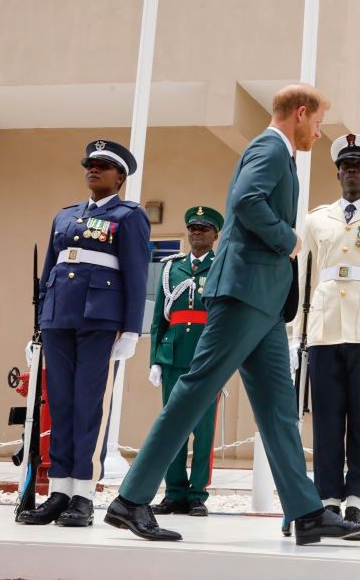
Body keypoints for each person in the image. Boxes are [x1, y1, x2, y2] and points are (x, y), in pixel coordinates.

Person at [104, 84, 360, 545]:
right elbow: (246, 202)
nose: (319, 131)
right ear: (301, 113)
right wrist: (287, 239)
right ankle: (130, 500)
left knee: (278, 410)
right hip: (245, 293)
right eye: (318, 121)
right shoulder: (269, 148)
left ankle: (306, 512)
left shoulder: (278, 152)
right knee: (194, 390)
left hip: (264, 304)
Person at [18, 140, 150, 528]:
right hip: (59, 317)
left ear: (120, 177)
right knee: (59, 404)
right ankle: (59, 490)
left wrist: (130, 329)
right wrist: (39, 326)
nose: (93, 170)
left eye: (102, 166)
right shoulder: (65, 216)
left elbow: (137, 274)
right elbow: (49, 273)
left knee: (88, 405)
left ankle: (83, 495)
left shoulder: (128, 216)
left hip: (100, 320)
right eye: (89, 164)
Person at [289, 133, 360, 539]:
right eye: (346, 165)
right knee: (325, 419)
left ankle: (357, 500)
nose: (352, 170)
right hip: (323, 328)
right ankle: (327, 500)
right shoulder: (316, 218)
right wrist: (295, 333)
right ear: (337, 171)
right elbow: (303, 279)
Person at [147, 206, 224, 517]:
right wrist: (155, 359)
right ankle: (174, 491)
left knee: (203, 429)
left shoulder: (222, 266)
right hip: (174, 354)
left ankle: (197, 494)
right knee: (173, 425)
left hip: (206, 356)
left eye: (204, 229)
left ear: (215, 236)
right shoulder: (171, 269)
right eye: (192, 228)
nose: (196, 233)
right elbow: (158, 320)